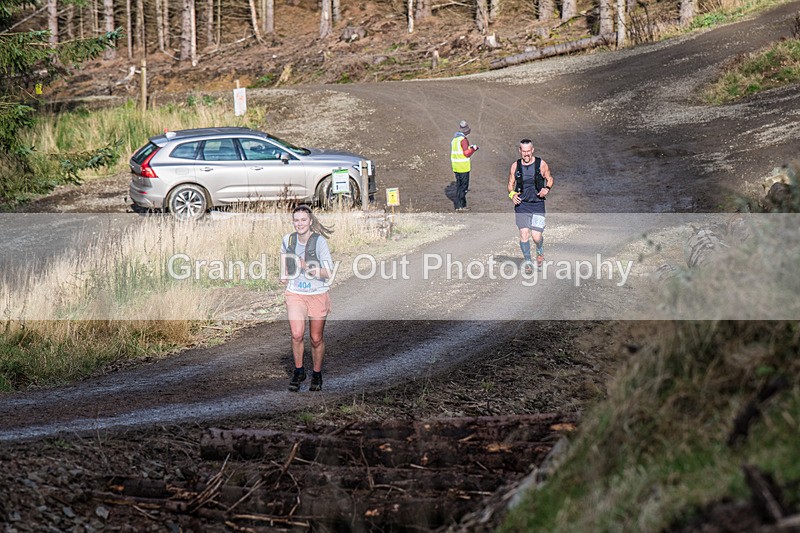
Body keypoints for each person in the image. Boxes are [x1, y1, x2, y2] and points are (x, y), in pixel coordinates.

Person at [280, 205, 335, 392]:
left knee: (316, 338)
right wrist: (284, 273)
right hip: (295, 293)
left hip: (317, 293)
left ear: (310, 221)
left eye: (303, 220)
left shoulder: (319, 242)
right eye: (296, 220)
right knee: (296, 334)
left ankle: (317, 374)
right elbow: (283, 256)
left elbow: (328, 272)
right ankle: (299, 371)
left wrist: (307, 267)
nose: (300, 224)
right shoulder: (288, 239)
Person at [508, 139, 554, 274]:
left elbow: (550, 178)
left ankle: (539, 250)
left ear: (532, 150)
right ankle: (528, 262)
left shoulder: (541, 164)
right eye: (524, 151)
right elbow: (510, 184)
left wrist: (547, 188)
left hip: (538, 204)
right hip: (522, 205)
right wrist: (512, 195)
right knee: (524, 234)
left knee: (536, 237)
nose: (526, 154)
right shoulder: (515, 166)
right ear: (520, 151)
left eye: (528, 151)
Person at [451, 120, 479, 212]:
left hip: (456, 166)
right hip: (463, 167)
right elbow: (466, 153)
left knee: (459, 186)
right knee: (463, 187)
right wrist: (473, 149)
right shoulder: (463, 140)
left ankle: (459, 205)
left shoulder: (455, 140)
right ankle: (461, 206)